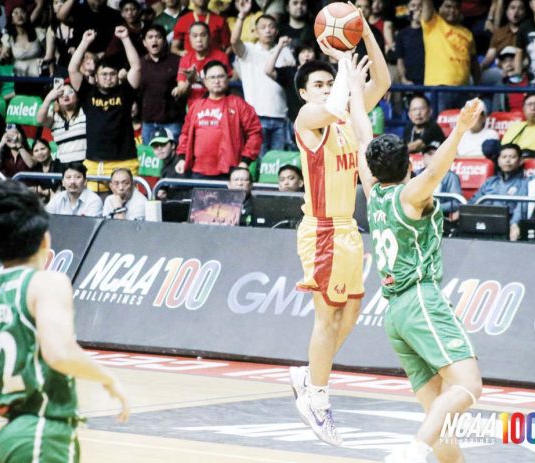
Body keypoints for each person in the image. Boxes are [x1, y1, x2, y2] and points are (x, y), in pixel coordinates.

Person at [350, 50, 483, 461]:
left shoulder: (372, 193)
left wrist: (354, 86)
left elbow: (359, 135)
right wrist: (459, 130)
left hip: (393, 312)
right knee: (467, 387)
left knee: (439, 415)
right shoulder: (410, 194)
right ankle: (411, 453)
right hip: (421, 298)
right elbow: (437, 171)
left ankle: (427, 450)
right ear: (408, 164)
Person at [287, 14, 390, 446]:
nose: (327, 90)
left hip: (349, 229)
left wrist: (364, 34)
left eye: (329, 83)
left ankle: (307, 376)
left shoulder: (347, 118)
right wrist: (344, 68)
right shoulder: (309, 120)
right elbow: (331, 107)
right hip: (323, 229)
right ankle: (317, 397)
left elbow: (382, 80)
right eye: (318, 85)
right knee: (327, 318)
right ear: (303, 94)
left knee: (350, 315)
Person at [0, 180, 130, 463]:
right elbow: (61, 353)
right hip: (42, 433)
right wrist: (108, 378)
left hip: (10, 434)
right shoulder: (46, 282)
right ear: (45, 240)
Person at [68, 26, 142, 190]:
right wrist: (84, 42)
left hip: (125, 161)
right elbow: (72, 69)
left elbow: (136, 67)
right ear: (95, 76)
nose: (108, 78)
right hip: (95, 163)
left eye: (112, 74)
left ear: (117, 76)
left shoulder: (125, 91)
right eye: (104, 74)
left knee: (125, 209)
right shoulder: (88, 92)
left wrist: (125, 39)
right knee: (94, 209)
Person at [176, 60, 262, 179]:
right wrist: (181, 157)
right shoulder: (196, 106)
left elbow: (255, 133)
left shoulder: (238, 104)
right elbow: (185, 134)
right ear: (205, 81)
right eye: (212, 77)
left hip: (229, 171)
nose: (216, 81)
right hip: (197, 171)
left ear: (227, 79)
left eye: (221, 76)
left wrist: (245, 161)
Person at [232, 1, 295, 156]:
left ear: (276, 31)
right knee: (256, 161)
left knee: (276, 164)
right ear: (255, 31)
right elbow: (234, 41)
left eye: (271, 26)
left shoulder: (285, 51)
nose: (267, 30)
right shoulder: (248, 50)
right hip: (256, 117)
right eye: (263, 27)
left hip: (281, 116)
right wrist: (241, 16)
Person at [420, 0, 480, 110]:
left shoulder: (468, 33)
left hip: (463, 89)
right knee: (438, 125)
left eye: (456, 7)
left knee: (463, 127)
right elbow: (427, 4)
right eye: (448, 6)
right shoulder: (433, 23)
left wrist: (477, 88)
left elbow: (474, 63)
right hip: (438, 87)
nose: (452, 10)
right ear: (439, 9)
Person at [139, 24, 184, 144]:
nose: (154, 40)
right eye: (150, 37)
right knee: (149, 160)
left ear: (164, 41)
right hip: (148, 121)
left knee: (173, 158)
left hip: (172, 121)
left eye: (158, 37)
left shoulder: (177, 61)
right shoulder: (139, 64)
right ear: (144, 42)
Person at [174, 21, 232, 107]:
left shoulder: (220, 57)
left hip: (218, 106)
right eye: (195, 36)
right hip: (194, 108)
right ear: (189, 39)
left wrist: (198, 80)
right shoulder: (185, 60)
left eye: (203, 35)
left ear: (209, 37)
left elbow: (224, 86)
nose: (199, 40)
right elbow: (182, 92)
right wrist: (189, 81)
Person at [36, 82, 87, 167]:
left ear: (77, 97)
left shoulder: (85, 111)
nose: (65, 96)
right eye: (61, 93)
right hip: (63, 165)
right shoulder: (54, 116)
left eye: (70, 92)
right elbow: (39, 120)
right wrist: (48, 99)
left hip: (85, 164)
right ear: (57, 100)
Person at [469, 143, 527, 216]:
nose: (507, 160)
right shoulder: (490, 182)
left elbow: (521, 211)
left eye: (512, 157)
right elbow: (472, 203)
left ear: (520, 161)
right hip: (481, 219)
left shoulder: (525, 183)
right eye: (504, 157)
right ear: (498, 161)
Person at [395, 0, 425, 85]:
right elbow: (400, 60)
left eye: (420, 6)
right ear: (408, 10)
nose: (417, 9)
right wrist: (403, 79)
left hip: (429, 81)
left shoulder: (430, 33)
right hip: (410, 82)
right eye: (413, 6)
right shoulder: (401, 34)